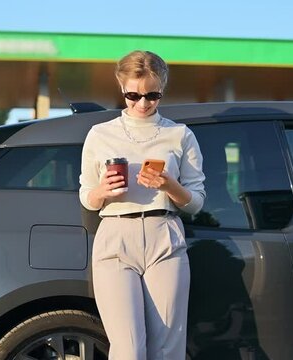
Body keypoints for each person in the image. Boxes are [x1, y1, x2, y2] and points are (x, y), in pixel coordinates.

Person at [79, 50, 206, 360]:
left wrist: (169, 185)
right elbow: (86, 197)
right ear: (122, 87)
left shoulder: (180, 135)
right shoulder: (100, 134)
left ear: (162, 87)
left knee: (167, 349)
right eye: (133, 95)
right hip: (115, 237)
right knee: (128, 349)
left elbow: (196, 202)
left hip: (165, 235)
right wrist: (103, 191)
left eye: (152, 95)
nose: (143, 103)